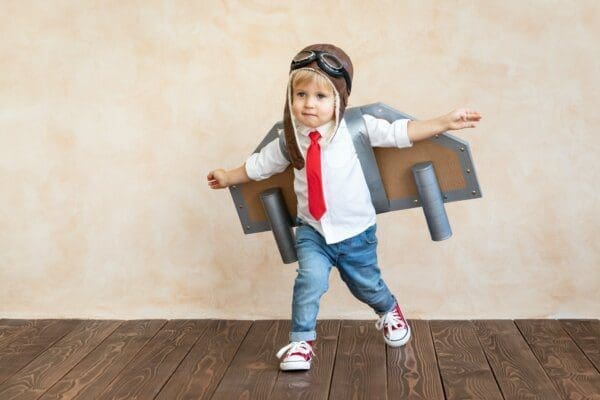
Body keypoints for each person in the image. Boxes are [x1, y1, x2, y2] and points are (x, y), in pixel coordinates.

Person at [207, 44, 481, 371]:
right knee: (309, 281)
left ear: (339, 97)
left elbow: (401, 133)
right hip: (314, 232)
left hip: (357, 234)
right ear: (290, 97)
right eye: (301, 94)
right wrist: (227, 176)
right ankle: (301, 342)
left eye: (321, 96)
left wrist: (444, 122)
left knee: (367, 287)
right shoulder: (290, 139)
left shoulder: (356, 127)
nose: (309, 103)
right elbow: (259, 167)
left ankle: (389, 310)